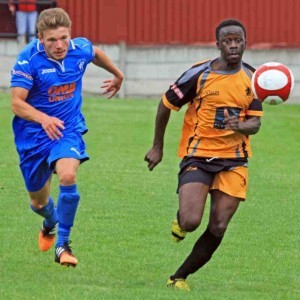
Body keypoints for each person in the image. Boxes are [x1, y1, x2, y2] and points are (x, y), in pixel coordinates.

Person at [144, 19, 263, 291]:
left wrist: (240, 125)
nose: (233, 45)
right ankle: (181, 221)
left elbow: (255, 123)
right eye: (228, 40)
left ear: (245, 42)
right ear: (218, 44)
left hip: (234, 161)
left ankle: (178, 277)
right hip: (198, 155)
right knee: (190, 221)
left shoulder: (254, 78)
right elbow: (165, 105)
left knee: (219, 225)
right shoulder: (199, 74)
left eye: (238, 40)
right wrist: (157, 146)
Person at [10, 7, 123, 267]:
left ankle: (63, 245)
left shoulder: (78, 48)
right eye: (52, 40)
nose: (59, 45)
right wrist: (43, 118)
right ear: (40, 38)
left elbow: (95, 53)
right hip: (33, 137)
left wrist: (117, 74)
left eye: (63, 38)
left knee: (68, 176)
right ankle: (49, 221)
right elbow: (17, 103)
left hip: (66, 129)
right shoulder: (28, 59)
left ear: (69, 34)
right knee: (39, 203)